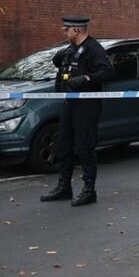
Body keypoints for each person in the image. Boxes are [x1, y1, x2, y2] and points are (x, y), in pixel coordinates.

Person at [41, 16, 113, 207]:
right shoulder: (70, 49)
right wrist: (60, 56)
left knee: (84, 147)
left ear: (76, 30)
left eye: (66, 30)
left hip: (87, 105)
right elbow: (62, 67)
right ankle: (64, 187)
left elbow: (107, 72)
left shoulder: (94, 49)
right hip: (69, 102)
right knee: (63, 145)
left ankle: (89, 190)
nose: (64, 33)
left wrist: (86, 79)